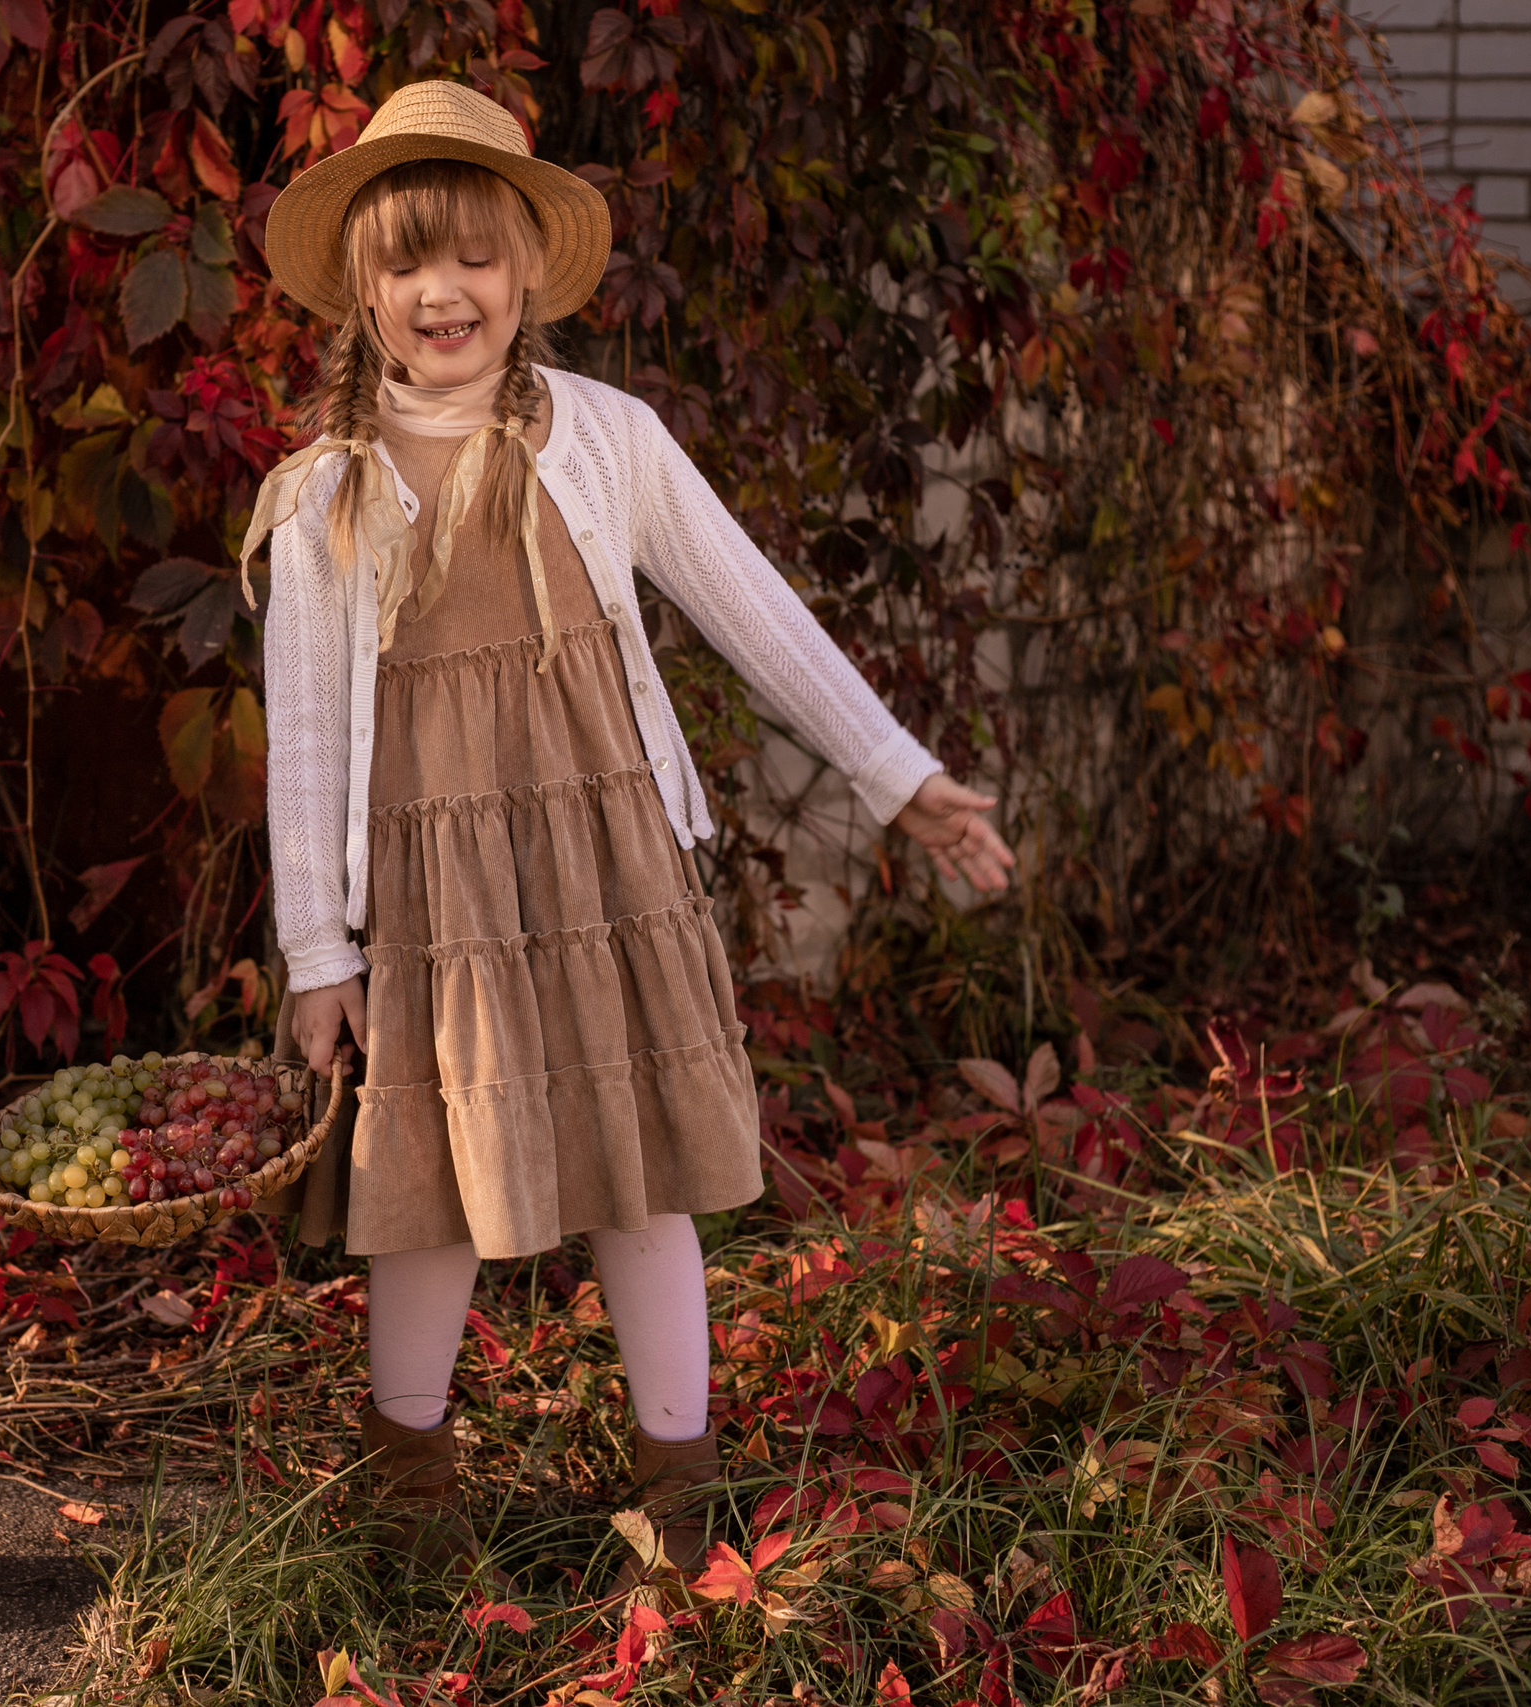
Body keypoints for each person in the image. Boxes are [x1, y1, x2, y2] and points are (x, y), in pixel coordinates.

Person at [246, 82, 1016, 1590]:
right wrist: (320, 948)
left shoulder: (610, 440)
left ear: (528, 270)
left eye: (472, 258)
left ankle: (682, 1481)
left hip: (606, 861)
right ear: (364, 291)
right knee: (426, 1174)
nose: (442, 291)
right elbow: (309, 741)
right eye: (407, 264)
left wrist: (896, 772)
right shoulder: (322, 493)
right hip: (431, 883)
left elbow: (755, 614)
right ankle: (410, 1478)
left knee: (640, 1166)